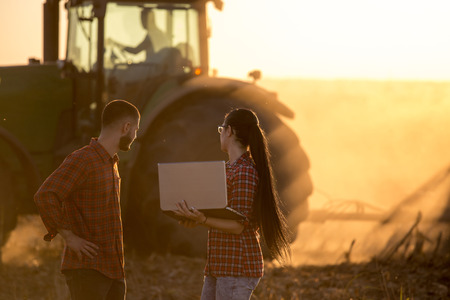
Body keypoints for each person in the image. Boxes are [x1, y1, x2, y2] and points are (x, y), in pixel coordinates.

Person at [174, 108, 291, 300]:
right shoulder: (229, 169)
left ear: (229, 131)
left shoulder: (244, 172)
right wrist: (194, 218)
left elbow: (238, 226)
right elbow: (221, 215)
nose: (220, 134)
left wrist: (202, 218)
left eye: (221, 129)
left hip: (236, 266)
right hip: (220, 265)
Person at [34, 100, 140, 300]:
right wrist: (70, 237)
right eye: (135, 129)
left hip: (113, 269)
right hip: (88, 269)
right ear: (126, 127)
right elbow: (46, 195)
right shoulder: (83, 159)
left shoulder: (111, 163)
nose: (135, 135)